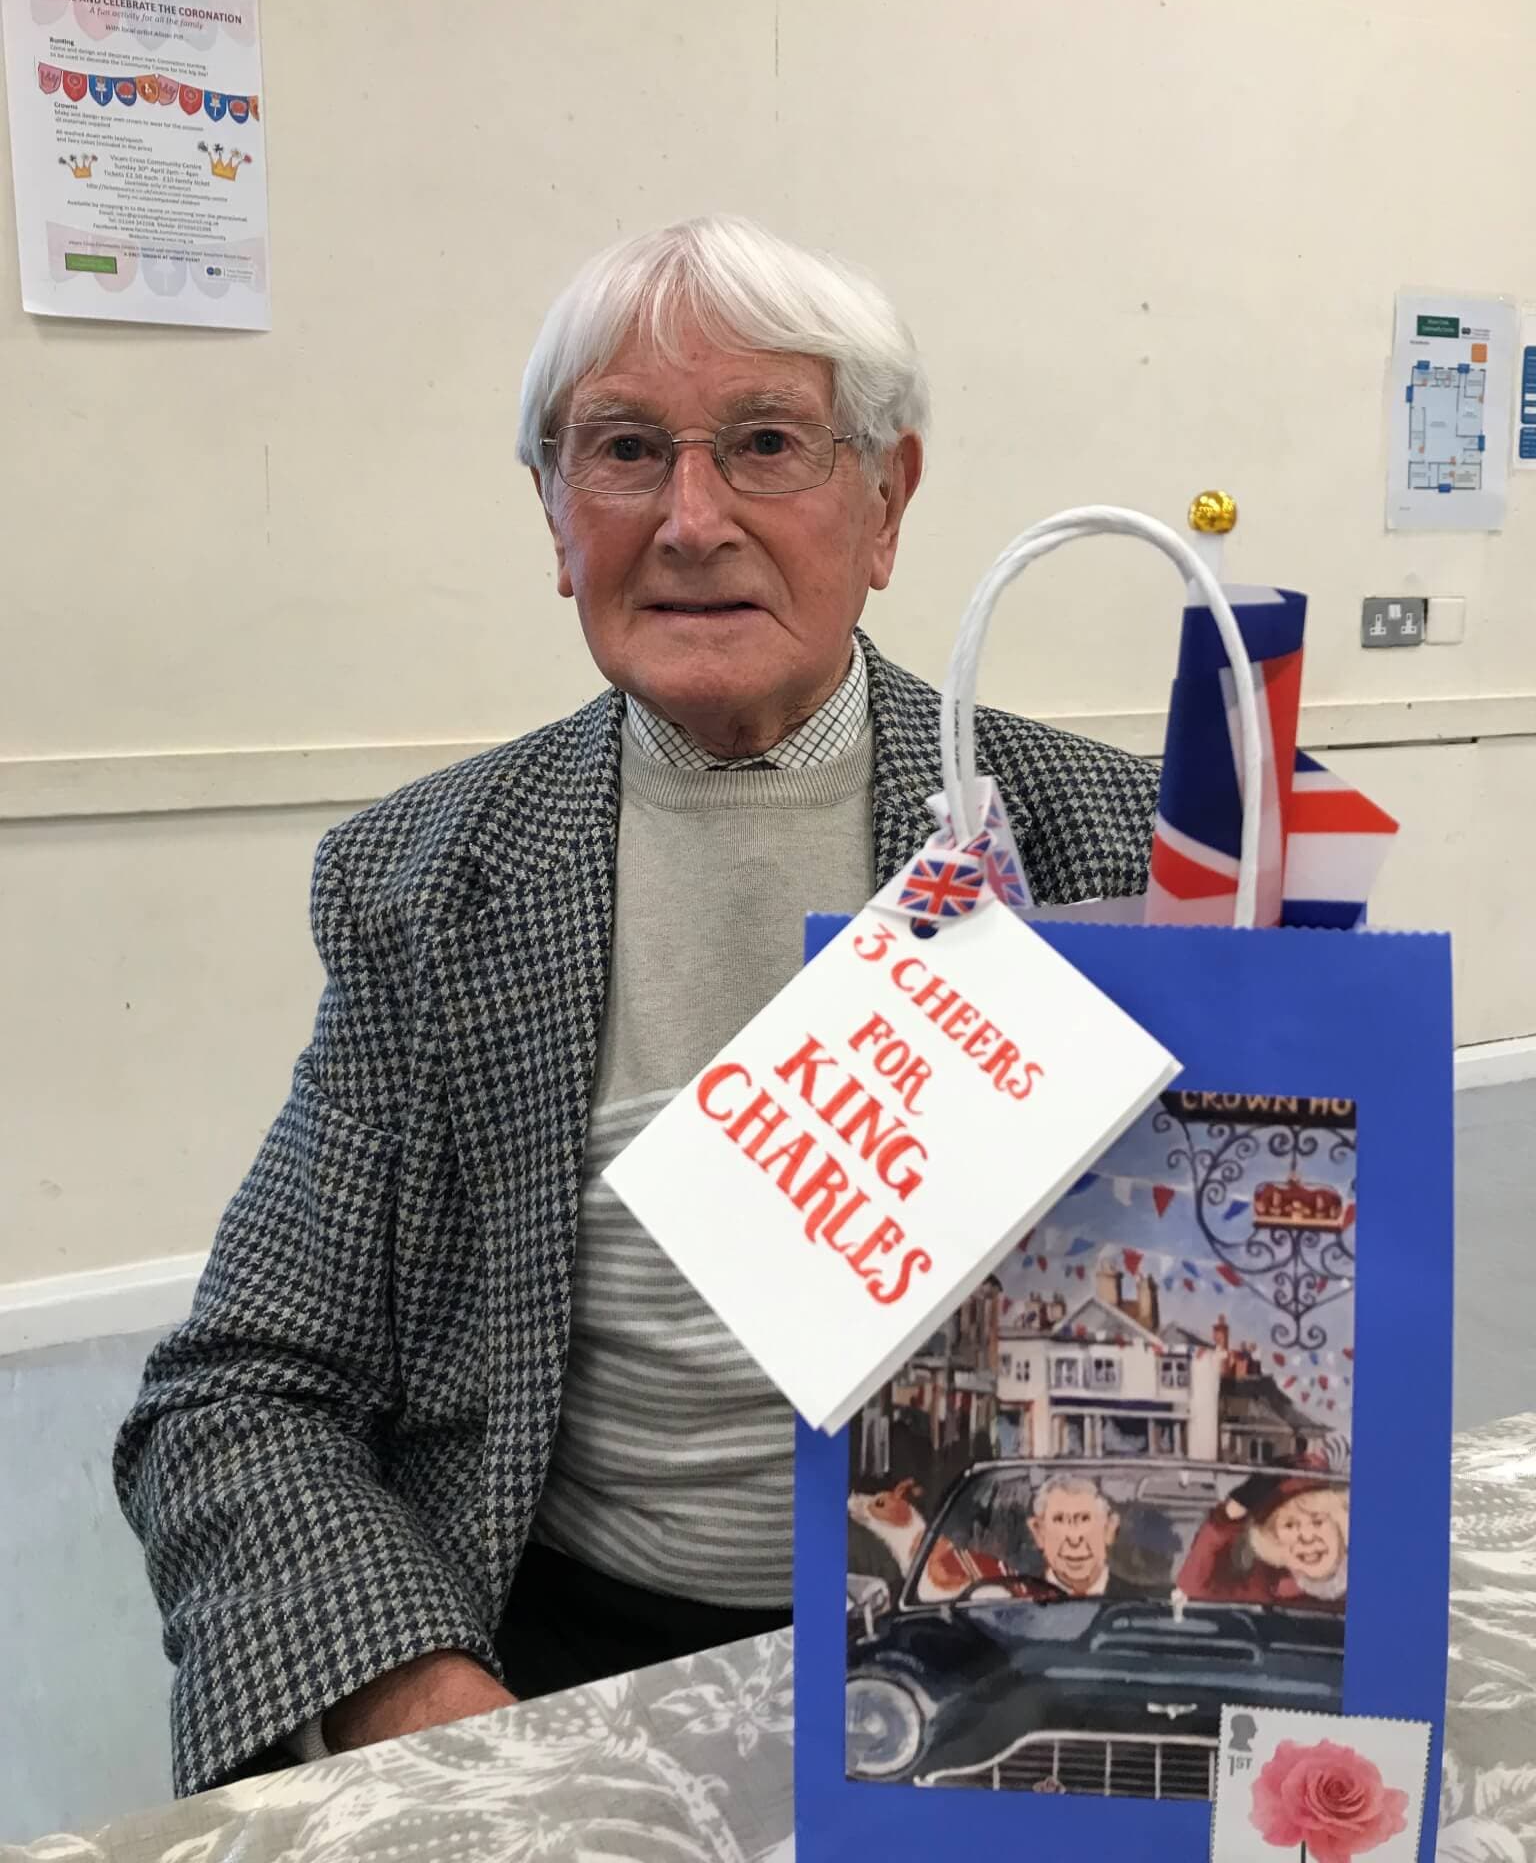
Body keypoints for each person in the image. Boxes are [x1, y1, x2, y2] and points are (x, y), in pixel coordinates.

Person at [113, 215, 1160, 1795]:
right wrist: (425, 1702)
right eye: (621, 451)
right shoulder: (427, 885)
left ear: (887, 502)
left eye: (765, 445)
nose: (691, 520)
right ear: (552, 516)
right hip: (559, 1661)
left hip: (1011, 1655)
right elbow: (245, 1392)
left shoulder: (1111, 850)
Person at [1177, 1472, 1348, 1610]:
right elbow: (1193, 1589)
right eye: (1289, 1525)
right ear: (1274, 1541)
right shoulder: (1263, 1589)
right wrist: (1231, 1513)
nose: (1307, 1537)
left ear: (1340, 1526)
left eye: (1318, 1521)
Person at [1027, 1475, 1142, 1600]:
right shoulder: (1016, 1604)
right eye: (1059, 1519)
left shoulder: (1142, 1604)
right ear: (1038, 1531)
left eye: (1085, 1519)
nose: (1074, 1538)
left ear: (1109, 1528)